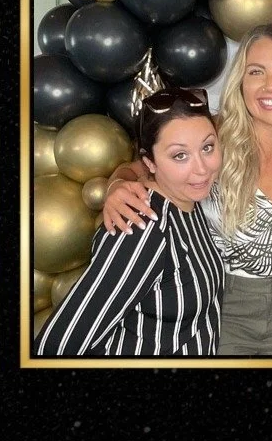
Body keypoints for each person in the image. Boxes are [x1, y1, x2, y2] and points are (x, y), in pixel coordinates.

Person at [101, 23, 272, 356]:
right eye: (256, 72)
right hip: (221, 300)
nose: (271, 85)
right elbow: (139, 168)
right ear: (240, 81)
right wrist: (118, 185)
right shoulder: (212, 136)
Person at [35, 88, 225, 355]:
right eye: (179, 155)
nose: (202, 168)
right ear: (150, 162)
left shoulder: (189, 205)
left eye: (207, 147)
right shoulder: (142, 227)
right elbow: (57, 345)